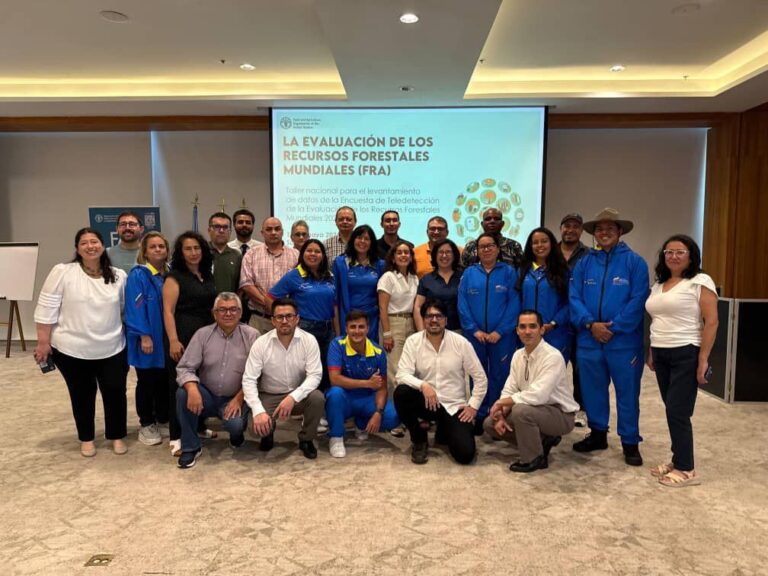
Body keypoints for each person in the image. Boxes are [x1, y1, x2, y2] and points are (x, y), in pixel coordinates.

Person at [33, 228, 128, 457]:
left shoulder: (119, 276)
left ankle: (116, 436)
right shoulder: (63, 272)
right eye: (84, 243)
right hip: (72, 349)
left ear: (103, 245)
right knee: (82, 394)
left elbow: (124, 310)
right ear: (77, 248)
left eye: (94, 241)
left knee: (115, 391)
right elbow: (46, 308)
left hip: (113, 347)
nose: (90, 246)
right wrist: (43, 342)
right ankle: (86, 438)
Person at [569, 207, 649, 466]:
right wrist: (591, 324)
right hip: (589, 339)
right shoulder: (584, 263)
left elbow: (638, 300)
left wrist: (613, 328)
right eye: (600, 229)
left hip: (624, 342)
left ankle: (630, 442)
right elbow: (574, 297)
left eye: (610, 228)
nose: (604, 233)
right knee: (592, 391)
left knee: (627, 393)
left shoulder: (635, 263)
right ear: (594, 233)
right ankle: (598, 434)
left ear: (620, 231)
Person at [645, 235, 718, 487]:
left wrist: (703, 359)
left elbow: (712, 321)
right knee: (672, 408)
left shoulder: (700, 281)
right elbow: (657, 320)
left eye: (680, 252)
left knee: (678, 410)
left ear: (691, 255)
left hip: (686, 351)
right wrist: (652, 350)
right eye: (669, 252)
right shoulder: (659, 283)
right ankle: (678, 459)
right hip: (661, 351)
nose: (673, 256)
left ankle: (686, 468)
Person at [395, 299, 488, 465]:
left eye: (438, 316)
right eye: (429, 316)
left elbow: (480, 378)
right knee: (401, 392)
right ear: (423, 319)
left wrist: (473, 406)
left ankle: (444, 430)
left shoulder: (461, 343)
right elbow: (401, 374)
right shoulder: (413, 342)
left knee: (465, 455)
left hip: (454, 406)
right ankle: (419, 439)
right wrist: (423, 385)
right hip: (428, 402)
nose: (434, 320)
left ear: (446, 319)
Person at [484, 310, 579, 473]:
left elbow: (538, 395)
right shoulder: (517, 355)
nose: (527, 331)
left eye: (532, 326)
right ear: (517, 331)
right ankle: (543, 440)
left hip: (560, 414)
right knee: (490, 423)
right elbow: (510, 387)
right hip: (535, 410)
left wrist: (500, 402)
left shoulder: (552, 357)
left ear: (542, 329)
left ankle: (534, 458)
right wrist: (501, 412)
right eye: (522, 327)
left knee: (521, 411)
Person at [175, 293, 260, 469]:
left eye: (233, 309)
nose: (228, 314)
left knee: (235, 425)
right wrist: (192, 389)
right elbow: (185, 368)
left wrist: (239, 399)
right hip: (207, 394)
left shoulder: (252, 336)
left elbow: (258, 374)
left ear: (240, 313)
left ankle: (237, 436)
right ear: (214, 314)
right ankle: (191, 447)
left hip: (236, 397)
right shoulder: (202, 334)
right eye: (222, 310)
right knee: (183, 393)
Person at [241, 298, 325, 459]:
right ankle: (268, 433)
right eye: (279, 317)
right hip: (269, 395)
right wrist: (258, 411)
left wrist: (293, 397)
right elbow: (249, 379)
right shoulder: (261, 343)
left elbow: (315, 375)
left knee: (317, 398)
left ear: (297, 319)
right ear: (273, 320)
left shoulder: (309, 340)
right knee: (257, 429)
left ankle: (306, 439)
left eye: (289, 316)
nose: (284, 321)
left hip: (298, 395)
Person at [458, 232, 520, 433]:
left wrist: (500, 331)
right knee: (478, 375)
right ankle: (479, 413)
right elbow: (462, 303)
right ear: (477, 251)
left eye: (490, 246)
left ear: (497, 248)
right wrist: (473, 330)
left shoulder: (509, 272)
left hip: (502, 337)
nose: (486, 249)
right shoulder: (469, 273)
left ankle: (498, 415)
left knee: (500, 375)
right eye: (482, 246)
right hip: (475, 336)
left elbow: (514, 303)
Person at [163, 231, 217, 457]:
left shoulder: (206, 274)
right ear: (181, 252)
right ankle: (176, 436)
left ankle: (199, 426)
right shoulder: (174, 277)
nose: (194, 252)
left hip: (206, 336)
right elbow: (168, 311)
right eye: (188, 248)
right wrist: (173, 340)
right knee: (179, 386)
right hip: (183, 336)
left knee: (201, 382)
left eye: (197, 248)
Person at [326, 311, 400, 458]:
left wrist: (378, 412)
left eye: (361, 327)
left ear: (368, 328)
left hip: (367, 399)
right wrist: (367, 383)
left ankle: (361, 424)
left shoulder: (378, 352)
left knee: (394, 417)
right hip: (344, 398)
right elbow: (335, 379)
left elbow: (382, 388)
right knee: (335, 394)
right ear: (346, 329)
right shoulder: (337, 345)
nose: (357, 331)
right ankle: (336, 437)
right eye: (353, 327)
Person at [269, 239, 339, 391]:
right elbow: (270, 298)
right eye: (309, 251)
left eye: (317, 251)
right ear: (302, 254)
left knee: (326, 370)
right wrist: (283, 320)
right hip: (305, 328)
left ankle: (323, 403)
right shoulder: (293, 275)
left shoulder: (330, 276)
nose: (313, 254)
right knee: (305, 371)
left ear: (323, 255)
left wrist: (338, 334)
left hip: (328, 330)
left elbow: (334, 307)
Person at [125, 231, 171, 446]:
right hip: (148, 338)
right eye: (153, 247)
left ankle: (162, 419)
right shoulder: (138, 275)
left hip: (166, 338)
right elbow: (135, 308)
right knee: (147, 381)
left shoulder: (168, 274)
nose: (158, 250)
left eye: (161, 246)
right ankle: (146, 423)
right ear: (144, 251)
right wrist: (144, 336)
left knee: (163, 381)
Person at [516, 227, 571, 361]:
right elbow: (517, 300)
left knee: (553, 371)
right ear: (530, 246)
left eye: (544, 241)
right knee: (528, 371)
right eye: (535, 242)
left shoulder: (563, 270)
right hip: (527, 333)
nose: (540, 245)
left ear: (551, 243)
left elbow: (570, 302)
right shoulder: (522, 271)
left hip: (555, 333)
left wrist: (554, 323)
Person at [240, 216, 299, 335]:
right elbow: (246, 285)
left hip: (288, 320)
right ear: (262, 233)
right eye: (269, 229)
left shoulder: (296, 255)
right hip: (259, 319)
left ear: (282, 232)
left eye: (277, 229)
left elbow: (300, 286)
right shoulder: (251, 254)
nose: (273, 232)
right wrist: (270, 304)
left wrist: (280, 310)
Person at [558, 212, 589, 428]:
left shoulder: (589, 255)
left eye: (575, 226)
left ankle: (581, 409)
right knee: (554, 366)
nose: (570, 230)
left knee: (580, 368)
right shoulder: (551, 252)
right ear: (561, 229)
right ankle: (556, 406)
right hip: (555, 319)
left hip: (579, 319)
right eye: (566, 226)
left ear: (581, 230)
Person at [333, 224, 385, 341]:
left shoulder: (380, 265)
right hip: (348, 317)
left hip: (372, 320)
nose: (362, 241)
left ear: (372, 243)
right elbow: (335, 299)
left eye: (366, 239)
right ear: (353, 240)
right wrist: (337, 331)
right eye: (359, 237)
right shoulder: (341, 263)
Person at [377, 241, 418, 390]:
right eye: (399, 253)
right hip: (393, 323)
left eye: (406, 252)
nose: (403, 255)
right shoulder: (388, 277)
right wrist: (387, 334)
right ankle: (393, 403)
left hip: (411, 322)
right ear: (393, 258)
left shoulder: (414, 278)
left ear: (411, 257)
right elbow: (382, 307)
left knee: (410, 366)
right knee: (394, 368)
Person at [414, 239, 463, 332]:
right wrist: (421, 332)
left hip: (459, 331)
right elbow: (418, 306)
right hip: (432, 331)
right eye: (441, 252)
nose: (444, 255)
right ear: (435, 255)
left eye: (448, 252)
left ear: (454, 255)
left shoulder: (463, 277)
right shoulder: (426, 279)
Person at [207, 212, 242, 295]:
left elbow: (240, 286)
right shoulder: (201, 252)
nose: (221, 231)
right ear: (209, 230)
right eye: (217, 227)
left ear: (230, 231)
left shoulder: (236, 255)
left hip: (229, 302)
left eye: (225, 227)